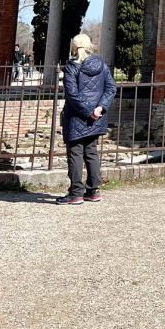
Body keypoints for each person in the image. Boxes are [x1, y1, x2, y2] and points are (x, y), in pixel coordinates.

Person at [57, 33, 116, 206]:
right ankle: (93, 190)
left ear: (74, 47)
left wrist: (89, 111)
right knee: (91, 152)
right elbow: (111, 89)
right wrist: (100, 108)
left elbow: (72, 95)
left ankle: (76, 193)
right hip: (96, 117)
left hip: (77, 116)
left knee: (75, 153)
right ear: (89, 46)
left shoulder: (71, 67)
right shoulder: (101, 64)